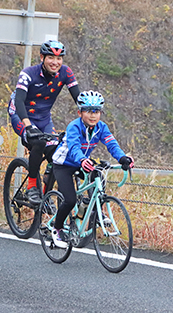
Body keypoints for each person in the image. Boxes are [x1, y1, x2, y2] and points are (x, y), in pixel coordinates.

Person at [50, 90, 134, 248]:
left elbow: (111, 144)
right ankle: (57, 229)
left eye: (96, 111)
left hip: (82, 162)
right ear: (80, 112)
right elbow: (74, 147)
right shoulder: (74, 127)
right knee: (69, 200)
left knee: (98, 174)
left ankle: (96, 211)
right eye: (88, 111)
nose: (93, 115)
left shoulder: (101, 127)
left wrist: (123, 158)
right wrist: (81, 159)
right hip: (64, 164)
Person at [7, 40, 81, 205]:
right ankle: (32, 185)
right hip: (21, 114)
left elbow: (79, 99)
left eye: (59, 58)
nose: (55, 62)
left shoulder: (65, 72)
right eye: (50, 58)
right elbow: (19, 101)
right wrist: (28, 126)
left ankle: (46, 192)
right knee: (38, 142)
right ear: (42, 57)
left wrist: (89, 119)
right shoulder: (28, 74)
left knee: (56, 151)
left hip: (43, 117)